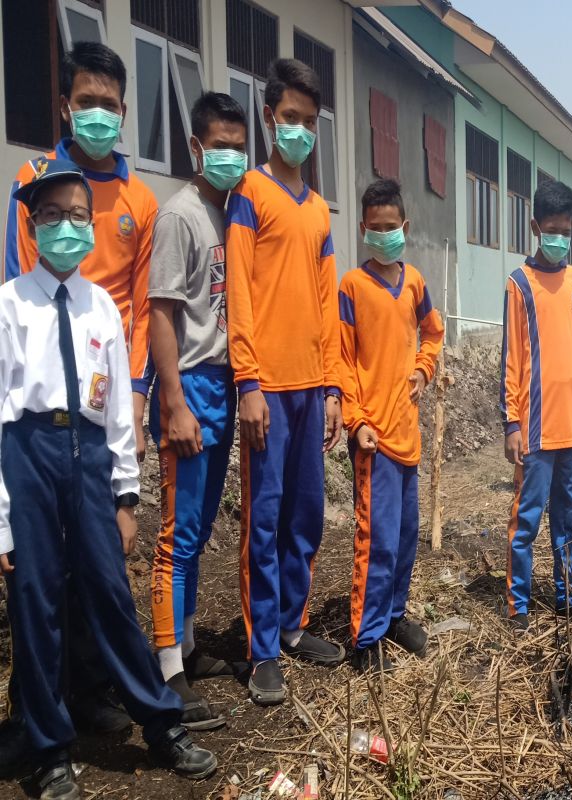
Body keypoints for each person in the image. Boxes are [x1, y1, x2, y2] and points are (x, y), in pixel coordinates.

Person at [0, 161, 217, 799]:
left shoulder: (101, 308)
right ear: (32, 225)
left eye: (77, 215)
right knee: (35, 604)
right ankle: (49, 749)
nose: (67, 227)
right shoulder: (10, 307)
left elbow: (119, 409)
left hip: (88, 453)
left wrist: (127, 495)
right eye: (52, 216)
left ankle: (160, 722)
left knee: (109, 593)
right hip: (29, 450)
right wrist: (3, 518)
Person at [0, 40, 156, 756]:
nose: (98, 115)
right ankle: (42, 720)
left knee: (103, 573)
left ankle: (111, 700)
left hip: (100, 405)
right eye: (86, 101)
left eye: (110, 105)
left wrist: (133, 427)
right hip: (33, 424)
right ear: (66, 105)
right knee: (37, 584)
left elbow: (141, 311)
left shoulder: (136, 204)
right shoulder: (31, 185)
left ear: (125, 113)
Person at [226, 58, 344, 705]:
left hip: (310, 390)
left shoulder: (319, 211)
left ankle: (294, 626)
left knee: (306, 516)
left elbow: (327, 305)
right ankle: (261, 646)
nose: (298, 130)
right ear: (270, 118)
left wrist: (332, 388)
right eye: (288, 118)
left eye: (308, 120)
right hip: (266, 387)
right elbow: (239, 292)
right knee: (264, 518)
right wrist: (247, 380)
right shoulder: (251, 193)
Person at [148, 92, 248, 729]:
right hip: (189, 384)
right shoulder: (179, 217)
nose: (231, 157)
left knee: (202, 525)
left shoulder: (233, 212)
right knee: (176, 534)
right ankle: (166, 672)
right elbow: (161, 312)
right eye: (221, 145)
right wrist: (174, 402)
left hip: (224, 383)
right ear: (196, 147)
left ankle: (187, 645)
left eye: (240, 147)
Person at [339, 179, 444, 673]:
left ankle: (395, 614)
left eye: (391, 227)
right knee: (375, 540)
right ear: (363, 229)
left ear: (405, 227)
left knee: (405, 536)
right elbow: (341, 360)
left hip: (408, 434)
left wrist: (424, 368)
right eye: (374, 228)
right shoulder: (351, 287)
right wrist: (355, 421)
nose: (384, 235)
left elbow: (433, 332)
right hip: (373, 439)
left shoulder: (416, 283)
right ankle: (367, 635)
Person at [500, 180, 572, 630]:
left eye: (566, 230)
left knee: (568, 521)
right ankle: (518, 606)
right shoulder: (519, 285)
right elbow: (512, 359)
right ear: (536, 227)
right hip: (536, 431)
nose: (558, 238)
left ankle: (568, 597)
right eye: (551, 229)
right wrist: (511, 423)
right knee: (527, 522)